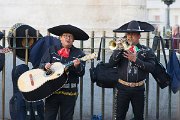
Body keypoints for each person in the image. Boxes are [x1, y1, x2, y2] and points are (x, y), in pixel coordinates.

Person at [39, 24, 89, 120]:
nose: (67, 38)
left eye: (70, 36)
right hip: (52, 91)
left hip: (69, 93)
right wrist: (45, 66)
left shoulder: (79, 54)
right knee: (49, 117)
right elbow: (41, 65)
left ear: (73, 40)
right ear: (60, 38)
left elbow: (81, 73)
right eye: (65, 36)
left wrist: (77, 66)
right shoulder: (51, 50)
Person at [109, 20, 156, 120]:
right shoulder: (121, 49)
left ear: (139, 36)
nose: (129, 36)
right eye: (128, 34)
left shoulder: (146, 51)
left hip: (138, 88)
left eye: (133, 34)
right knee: (119, 116)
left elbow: (152, 67)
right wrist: (118, 49)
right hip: (122, 88)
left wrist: (136, 60)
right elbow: (111, 63)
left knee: (139, 116)